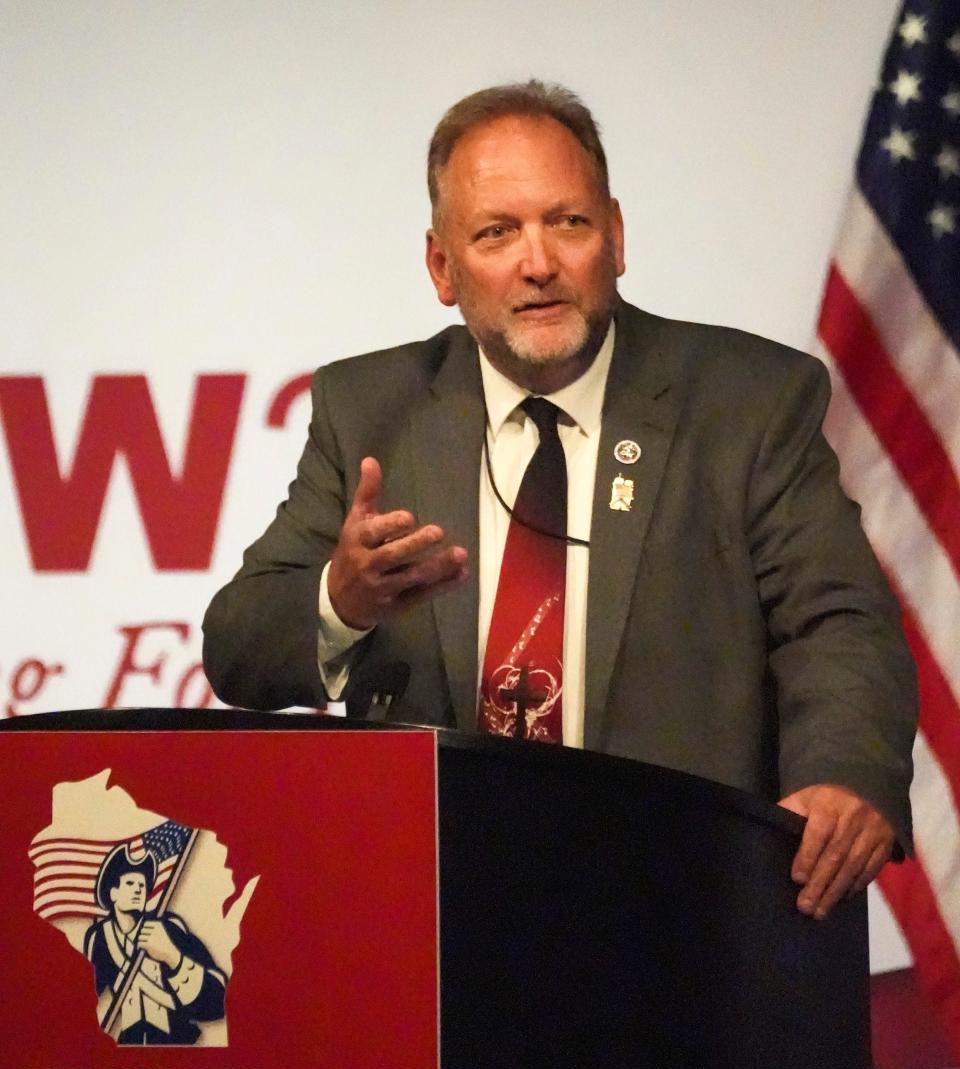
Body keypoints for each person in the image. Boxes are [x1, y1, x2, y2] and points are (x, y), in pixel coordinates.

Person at [203, 80, 916, 921]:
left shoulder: (747, 401)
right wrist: (341, 600)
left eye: (567, 223)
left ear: (615, 236)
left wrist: (842, 773)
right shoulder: (371, 410)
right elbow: (237, 648)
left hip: (690, 900)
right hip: (441, 907)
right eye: (497, 232)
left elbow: (838, 620)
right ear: (442, 267)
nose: (537, 262)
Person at [84, 843, 227, 1044]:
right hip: (129, 1049)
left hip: (178, 1044)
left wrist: (172, 957)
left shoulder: (168, 927)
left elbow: (219, 1002)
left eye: (141, 886)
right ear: (113, 894)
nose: (138, 890)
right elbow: (83, 997)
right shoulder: (99, 939)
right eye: (130, 884)